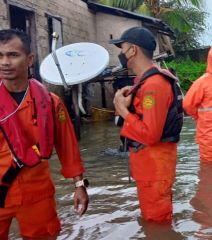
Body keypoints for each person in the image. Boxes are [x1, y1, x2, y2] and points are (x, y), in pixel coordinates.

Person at [0, 29, 89, 239]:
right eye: (0, 56)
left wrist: (79, 185)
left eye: (13, 55)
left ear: (29, 59)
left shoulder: (50, 103)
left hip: (37, 194)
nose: (5, 62)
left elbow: (68, 148)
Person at [111, 27, 183, 223]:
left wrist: (123, 110)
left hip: (155, 171)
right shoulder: (143, 83)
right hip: (149, 169)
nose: (121, 53)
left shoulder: (153, 86)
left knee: (157, 225)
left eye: (122, 48)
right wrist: (125, 105)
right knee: (154, 222)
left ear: (133, 50)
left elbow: (150, 134)